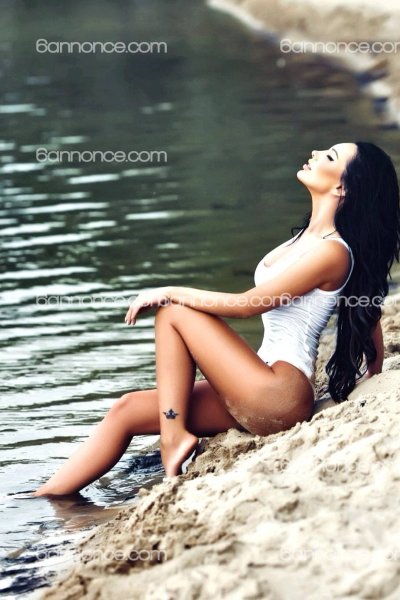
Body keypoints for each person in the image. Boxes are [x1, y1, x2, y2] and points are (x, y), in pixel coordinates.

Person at [34, 141, 400, 496]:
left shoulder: (332, 251)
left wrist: (171, 290)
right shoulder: (308, 238)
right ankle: (46, 497)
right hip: (256, 382)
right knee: (126, 409)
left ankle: (173, 437)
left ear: (341, 187)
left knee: (173, 312)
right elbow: (365, 310)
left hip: (278, 395)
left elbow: (248, 305)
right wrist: (374, 371)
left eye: (330, 156)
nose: (316, 154)